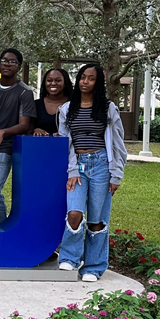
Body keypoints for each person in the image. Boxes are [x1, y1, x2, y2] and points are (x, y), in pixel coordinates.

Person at [57, 64, 127, 282]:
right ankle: (70, 256)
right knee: (74, 213)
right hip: (78, 165)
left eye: (91, 78)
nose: (85, 82)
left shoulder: (108, 108)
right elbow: (65, 143)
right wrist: (71, 169)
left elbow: (117, 143)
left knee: (97, 219)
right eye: (82, 78)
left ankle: (94, 267)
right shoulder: (67, 109)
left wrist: (116, 174)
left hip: (101, 165)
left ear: (98, 83)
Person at [0, 48, 36, 226]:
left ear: (19, 66)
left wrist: (2, 132)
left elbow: (24, 124)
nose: (7, 64)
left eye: (12, 62)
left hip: (5, 148)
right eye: (4, 60)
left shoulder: (24, 92)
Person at [33, 68, 73, 136]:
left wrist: (64, 133)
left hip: (67, 145)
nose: (53, 83)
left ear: (65, 83)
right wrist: (36, 129)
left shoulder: (73, 104)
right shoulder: (35, 104)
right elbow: (28, 127)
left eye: (58, 80)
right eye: (49, 80)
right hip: (40, 145)